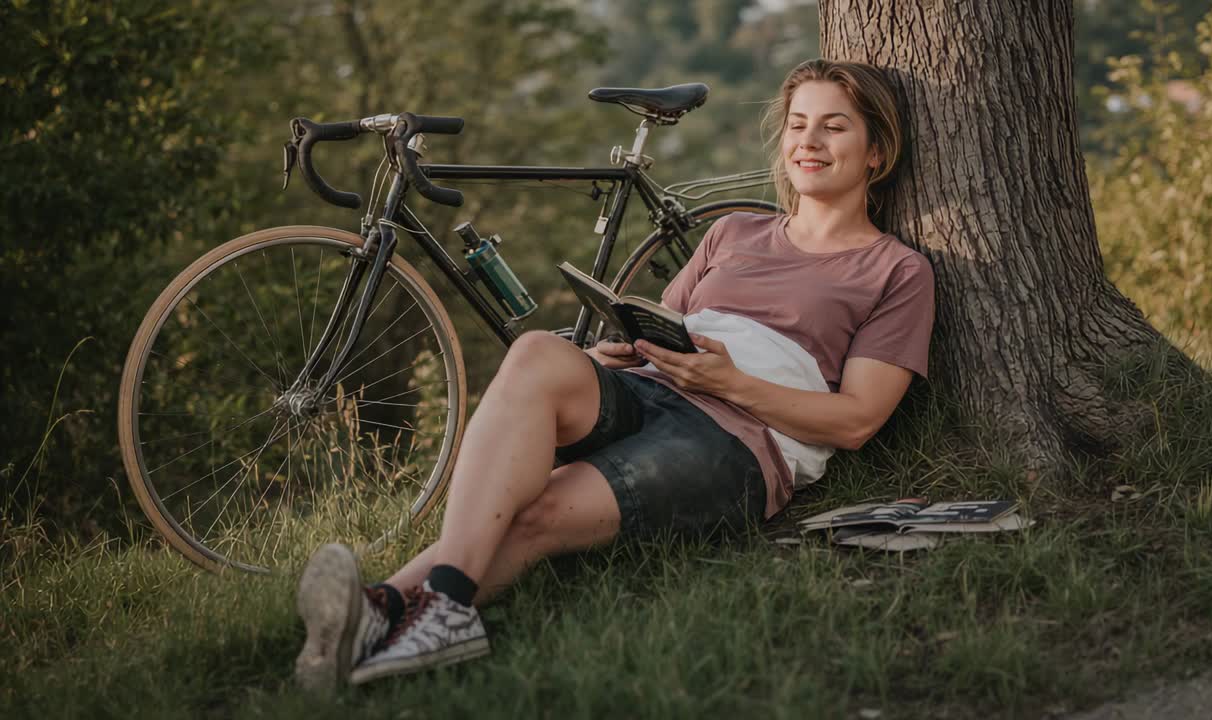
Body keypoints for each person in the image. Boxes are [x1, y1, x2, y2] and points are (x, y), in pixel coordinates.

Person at [292, 58, 935, 693]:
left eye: (834, 127)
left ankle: (387, 610)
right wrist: (617, 352)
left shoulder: (896, 271)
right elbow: (660, 321)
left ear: (876, 152)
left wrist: (728, 382)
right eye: (797, 125)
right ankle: (426, 613)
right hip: (653, 386)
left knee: (541, 508)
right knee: (540, 351)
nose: (809, 142)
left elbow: (857, 421)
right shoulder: (733, 232)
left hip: (738, 439)